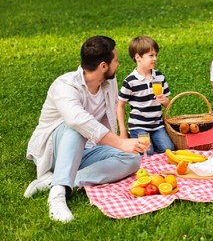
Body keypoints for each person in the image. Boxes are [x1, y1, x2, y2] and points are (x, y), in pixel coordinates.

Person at [24, 36, 147, 223]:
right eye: (116, 61)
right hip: (56, 153)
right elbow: (79, 121)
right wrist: (121, 142)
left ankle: (60, 181)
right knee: (78, 128)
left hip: (87, 150)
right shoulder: (65, 85)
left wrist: (122, 146)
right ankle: (57, 195)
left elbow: (106, 123)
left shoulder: (109, 82)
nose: (119, 64)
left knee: (132, 159)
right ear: (103, 66)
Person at [117, 36, 175, 155]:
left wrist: (165, 101)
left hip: (157, 125)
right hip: (139, 126)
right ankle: (133, 138)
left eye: (156, 55)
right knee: (147, 153)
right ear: (138, 57)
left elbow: (168, 104)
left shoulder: (159, 77)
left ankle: (152, 141)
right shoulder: (130, 81)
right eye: (151, 55)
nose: (155, 58)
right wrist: (122, 131)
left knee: (169, 149)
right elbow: (120, 105)